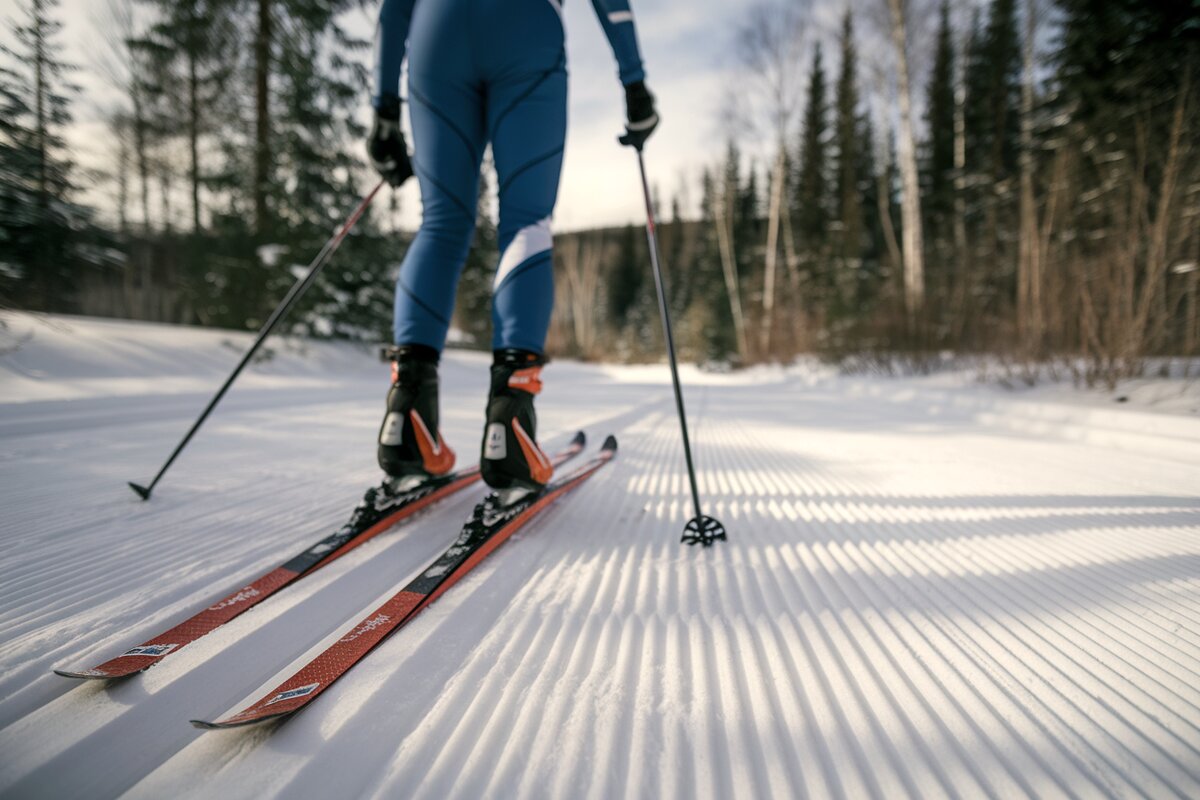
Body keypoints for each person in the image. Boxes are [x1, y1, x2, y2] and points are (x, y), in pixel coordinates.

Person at [367, 0, 658, 500]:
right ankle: (511, 427)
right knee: (526, 221)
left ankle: (408, 419)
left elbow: (395, 9)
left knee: (440, 222)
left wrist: (384, 108)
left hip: (437, 33)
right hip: (526, 29)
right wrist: (633, 80)